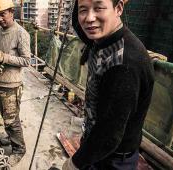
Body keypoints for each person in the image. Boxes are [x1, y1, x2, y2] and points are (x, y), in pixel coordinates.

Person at [63, 0, 154, 169]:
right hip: (98, 146)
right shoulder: (101, 38)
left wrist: (75, 163)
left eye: (99, 8)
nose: (89, 18)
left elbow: (109, 134)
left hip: (113, 159)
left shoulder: (124, 62)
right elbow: (78, 21)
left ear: (119, 8)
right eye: (83, 9)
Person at [0, 0, 31, 166]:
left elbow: (27, 61)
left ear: (12, 12)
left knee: (12, 120)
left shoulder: (21, 33)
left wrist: (4, 57)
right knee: (6, 116)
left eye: (2, 14)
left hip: (12, 85)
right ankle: (10, 138)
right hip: (0, 83)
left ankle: (19, 149)